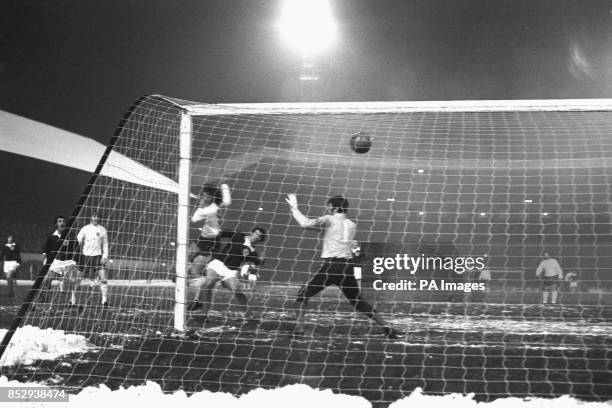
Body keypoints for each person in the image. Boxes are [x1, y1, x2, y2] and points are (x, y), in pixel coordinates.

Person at [286, 194, 401, 339]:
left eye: (328, 206)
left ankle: (299, 329)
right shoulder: (352, 224)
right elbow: (327, 232)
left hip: (331, 266)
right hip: (347, 268)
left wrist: (294, 208)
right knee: (358, 301)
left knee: (302, 295)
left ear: (333, 207)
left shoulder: (328, 219)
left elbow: (305, 223)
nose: (326, 208)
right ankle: (387, 327)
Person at [189, 227, 266, 321]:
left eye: (259, 236)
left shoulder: (253, 252)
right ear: (251, 232)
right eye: (256, 233)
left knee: (237, 292)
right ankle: (204, 315)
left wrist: (261, 260)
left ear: (260, 239)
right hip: (218, 264)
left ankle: (247, 315)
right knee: (208, 284)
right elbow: (222, 233)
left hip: (230, 271)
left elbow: (258, 262)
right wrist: (212, 230)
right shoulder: (238, 235)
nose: (257, 236)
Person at [188, 183, 231, 278]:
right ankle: (186, 275)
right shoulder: (214, 206)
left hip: (212, 242)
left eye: (208, 197)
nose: (205, 198)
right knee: (188, 255)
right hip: (202, 238)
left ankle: (199, 277)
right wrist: (224, 185)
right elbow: (227, 201)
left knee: (195, 268)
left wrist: (200, 206)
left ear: (213, 197)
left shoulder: (211, 208)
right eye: (203, 196)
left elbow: (194, 219)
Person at [41, 216, 80, 306]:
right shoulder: (52, 236)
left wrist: (75, 261)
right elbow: (46, 249)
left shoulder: (72, 235)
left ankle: (73, 300)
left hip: (68, 261)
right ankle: (45, 297)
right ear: (56, 224)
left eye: (63, 221)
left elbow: (77, 249)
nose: (62, 223)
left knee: (72, 280)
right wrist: (45, 260)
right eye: (59, 221)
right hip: (56, 261)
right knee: (47, 279)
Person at [77, 213, 109, 306]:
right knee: (77, 279)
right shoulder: (85, 228)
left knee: (103, 278)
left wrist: (105, 256)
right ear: (91, 217)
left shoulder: (102, 229)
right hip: (85, 257)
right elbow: (78, 241)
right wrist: (76, 255)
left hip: (98, 257)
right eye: (94, 216)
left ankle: (104, 301)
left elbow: (105, 244)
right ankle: (73, 300)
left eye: (98, 216)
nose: (96, 218)